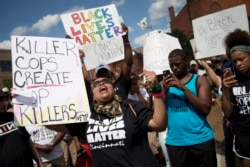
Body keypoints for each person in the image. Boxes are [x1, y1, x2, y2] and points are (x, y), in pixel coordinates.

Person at [59, 70, 167, 167]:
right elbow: (54, 125)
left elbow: (159, 125)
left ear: (114, 88)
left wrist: (157, 89)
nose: (101, 83)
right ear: (92, 94)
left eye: (106, 81)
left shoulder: (131, 107)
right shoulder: (87, 116)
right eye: (96, 83)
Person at [162, 49, 217, 167]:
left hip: (201, 140)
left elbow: (206, 109)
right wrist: (163, 92)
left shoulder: (199, 80)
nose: (175, 68)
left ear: (186, 61)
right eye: (172, 65)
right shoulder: (165, 85)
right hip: (175, 143)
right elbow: (156, 112)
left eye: (178, 64)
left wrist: (183, 88)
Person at [222, 28, 250, 167]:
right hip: (243, 136)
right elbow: (227, 112)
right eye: (235, 61)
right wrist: (225, 90)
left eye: (241, 59)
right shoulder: (231, 81)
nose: (238, 64)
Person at [0, 90, 44, 167]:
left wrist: (39, 160)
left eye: (3, 99)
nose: (3, 102)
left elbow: (27, 140)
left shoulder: (13, 116)